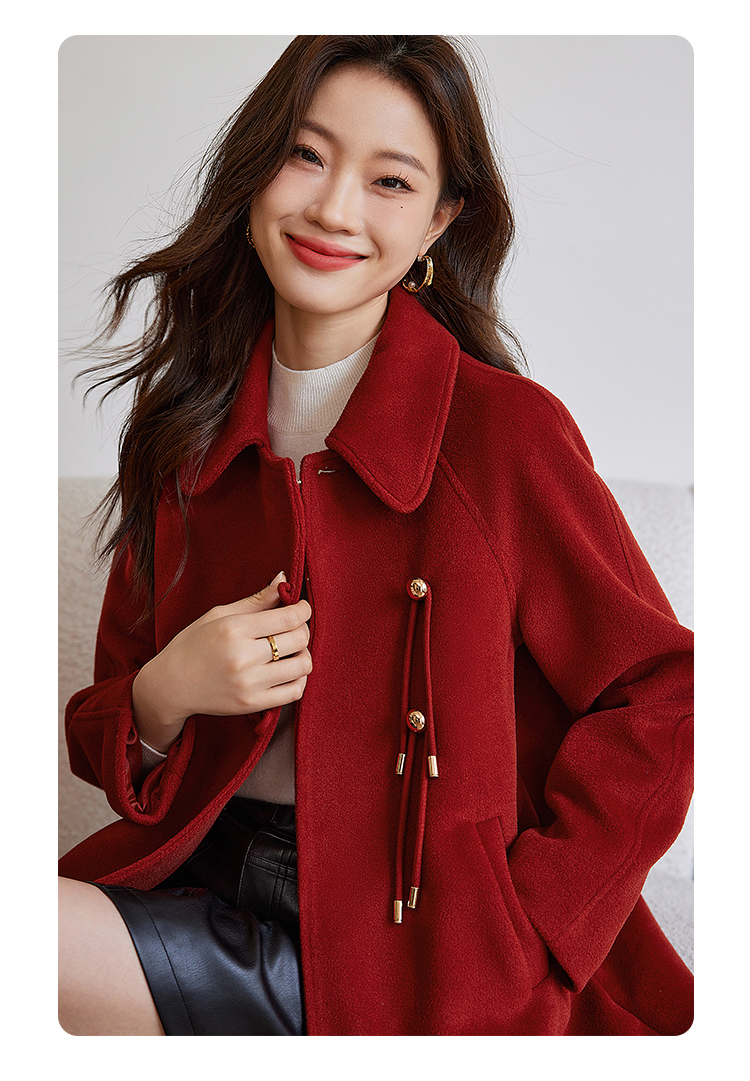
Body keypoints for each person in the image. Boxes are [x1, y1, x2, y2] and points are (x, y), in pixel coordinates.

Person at [58, 35, 693, 1036]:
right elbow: (108, 732)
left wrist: (533, 920)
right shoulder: (185, 433)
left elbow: (663, 688)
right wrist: (165, 691)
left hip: (414, 948)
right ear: (254, 170)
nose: (334, 208)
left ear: (440, 219)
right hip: (203, 884)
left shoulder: (501, 433)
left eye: (390, 180)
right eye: (305, 155)